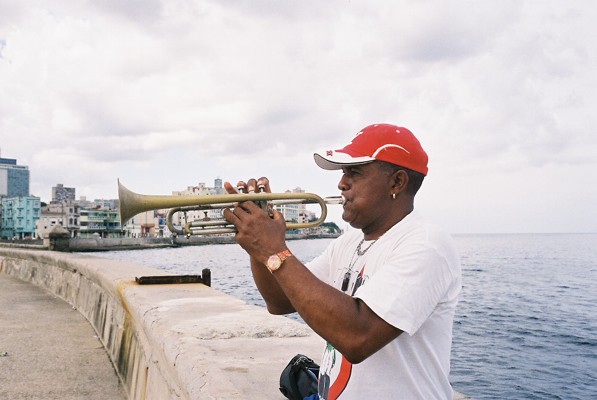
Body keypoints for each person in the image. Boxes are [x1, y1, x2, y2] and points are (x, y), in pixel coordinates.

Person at [222, 123, 462, 399]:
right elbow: (279, 301)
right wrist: (257, 246)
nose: (341, 183)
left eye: (354, 172)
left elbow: (358, 337)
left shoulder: (426, 244)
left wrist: (272, 250)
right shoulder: (349, 242)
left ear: (397, 182)